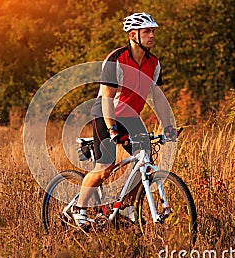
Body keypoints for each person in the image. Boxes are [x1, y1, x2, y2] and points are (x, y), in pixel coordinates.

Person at [70, 12, 177, 229]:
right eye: (147, 31)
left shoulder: (154, 63)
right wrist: (111, 129)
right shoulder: (116, 59)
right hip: (105, 114)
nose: (151, 36)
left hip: (130, 117)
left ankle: (126, 208)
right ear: (132, 35)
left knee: (144, 160)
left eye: (153, 31)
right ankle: (78, 208)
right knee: (104, 168)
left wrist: (168, 126)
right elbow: (107, 98)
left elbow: (159, 99)